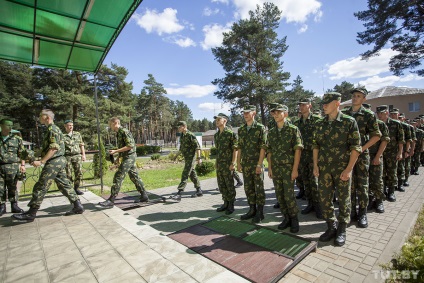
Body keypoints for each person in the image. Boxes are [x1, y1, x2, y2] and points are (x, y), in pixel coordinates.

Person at [12, 109, 84, 221]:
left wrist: (41, 161)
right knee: (64, 184)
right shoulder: (52, 129)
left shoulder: (52, 129)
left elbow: (54, 148)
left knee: (41, 186)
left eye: (41, 116)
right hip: (58, 161)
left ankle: (31, 213)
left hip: (54, 161)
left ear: (47, 117)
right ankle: (77, 206)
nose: (39, 118)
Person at [313, 92, 361, 246]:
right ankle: (331, 226)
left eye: (327, 103)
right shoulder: (320, 123)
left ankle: (342, 228)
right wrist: (315, 165)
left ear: (337, 103)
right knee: (325, 199)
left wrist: (349, 169)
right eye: (323, 103)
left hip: (342, 169)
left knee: (343, 199)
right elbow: (316, 146)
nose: (324, 106)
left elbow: (356, 147)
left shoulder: (349, 122)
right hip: (324, 169)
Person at [341, 88, 381, 228]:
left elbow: (376, 136)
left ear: (364, 99)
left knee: (362, 185)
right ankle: (351, 212)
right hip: (346, 155)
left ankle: (362, 213)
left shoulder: (368, 115)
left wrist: (361, 149)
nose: (355, 98)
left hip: (362, 156)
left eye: (358, 96)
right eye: (353, 96)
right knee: (349, 185)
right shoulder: (344, 113)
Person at [267, 104, 303, 233]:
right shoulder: (271, 132)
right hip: (276, 168)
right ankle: (286, 217)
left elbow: (298, 150)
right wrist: (269, 168)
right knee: (280, 195)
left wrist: (295, 169)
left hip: (288, 168)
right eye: (273, 113)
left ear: (285, 114)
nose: (275, 114)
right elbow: (269, 151)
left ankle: (294, 219)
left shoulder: (293, 129)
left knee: (289, 195)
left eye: (278, 112)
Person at [98, 117, 149, 207]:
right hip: (127, 156)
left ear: (115, 123)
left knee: (118, 176)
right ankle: (144, 195)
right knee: (134, 176)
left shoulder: (124, 131)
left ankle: (111, 200)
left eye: (110, 124)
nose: (110, 126)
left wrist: (115, 151)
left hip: (129, 157)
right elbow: (124, 146)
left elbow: (130, 146)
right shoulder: (119, 133)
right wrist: (118, 157)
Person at [237, 105, 267, 223]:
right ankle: (252, 209)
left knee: (258, 188)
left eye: (247, 112)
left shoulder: (260, 128)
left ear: (253, 113)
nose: (245, 115)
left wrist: (259, 164)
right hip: (246, 164)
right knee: (248, 188)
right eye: (244, 113)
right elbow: (240, 147)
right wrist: (238, 163)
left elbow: (263, 147)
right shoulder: (242, 129)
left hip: (256, 163)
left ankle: (260, 212)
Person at [293, 98, 322, 218]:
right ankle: (310, 204)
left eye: (304, 105)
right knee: (306, 182)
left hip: (315, 157)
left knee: (315, 183)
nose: (302, 107)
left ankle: (319, 206)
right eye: (300, 105)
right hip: (302, 157)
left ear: (310, 106)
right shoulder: (297, 123)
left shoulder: (318, 120)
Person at [377, 106, 404, 202]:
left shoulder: (396, 124)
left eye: (382, 113)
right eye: (378, 113)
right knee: (381, 173)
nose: (380, 115)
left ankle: (391, 192)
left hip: (392, 153)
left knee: (392, 173)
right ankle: (383, 191)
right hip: (379, 153)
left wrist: (400, 152)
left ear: (387, 113)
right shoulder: (376, 124)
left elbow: (401, 140)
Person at [170, 121, 203, 201]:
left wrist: (199, 158)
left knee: (185, 173)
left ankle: (179, 193)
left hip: (191, 158)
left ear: (184, 126)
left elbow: (197, 147)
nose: (178, 128)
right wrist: (176, 156)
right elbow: (181, 148)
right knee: (192, 174)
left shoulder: (190, 135)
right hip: (187, 158)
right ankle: (199, 190)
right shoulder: (182, 135)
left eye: (179, 127)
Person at [0, 119, 27, 215]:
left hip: (13, 166)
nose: (10, 127)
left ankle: (14, 205)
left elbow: (22, 153)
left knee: (12, 187)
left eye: (11, 125)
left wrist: (23, 165)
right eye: (8, 125)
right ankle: (2, 206)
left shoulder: (16, 139)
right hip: (0, 166)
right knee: (0, 188)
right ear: (2, 125)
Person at [214, 113, 238, 214]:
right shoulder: (216, 135)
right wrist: (216, 162)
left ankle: (231, 204)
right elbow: (218, 150)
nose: (217, 121)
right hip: (220, 164)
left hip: (228, 163)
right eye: (216, 120)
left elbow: (235, 149)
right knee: (221, 184)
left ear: (225, 121)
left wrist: (233, 163)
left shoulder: (231, 134)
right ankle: (225, 203)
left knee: (229, 185)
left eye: (219, 119)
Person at [367, 107, 390, 213]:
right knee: (365, 181)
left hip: (375, 155)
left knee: (376, 180)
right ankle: (370, 200)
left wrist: (377, 156)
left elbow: (384, 141)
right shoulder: (361, 124)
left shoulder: (380, 124)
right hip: (363, 156)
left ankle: (379, 201)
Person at [389, 108, 410, 192]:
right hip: (389, 151)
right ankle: (390, 186)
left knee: (400, 167)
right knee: (390, 170)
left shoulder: (405, 126)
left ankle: (400, 184)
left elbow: (408, 139)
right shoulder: (387, 124)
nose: (393, 115)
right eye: (392, 114)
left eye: (395, 114)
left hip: (400, 150)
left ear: (398, 114)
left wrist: (406, 151)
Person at [63, 120, 86, 195]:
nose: (71, 127)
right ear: (65, 126)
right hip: (67, 157)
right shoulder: (62, 136)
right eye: (69, 125)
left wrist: (83, 155)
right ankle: (70, 190)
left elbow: (81, 144)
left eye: (72, 125)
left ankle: (76, 188)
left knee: (79, 173)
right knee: (68, 174)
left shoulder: (77, 134)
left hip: (77, 156)